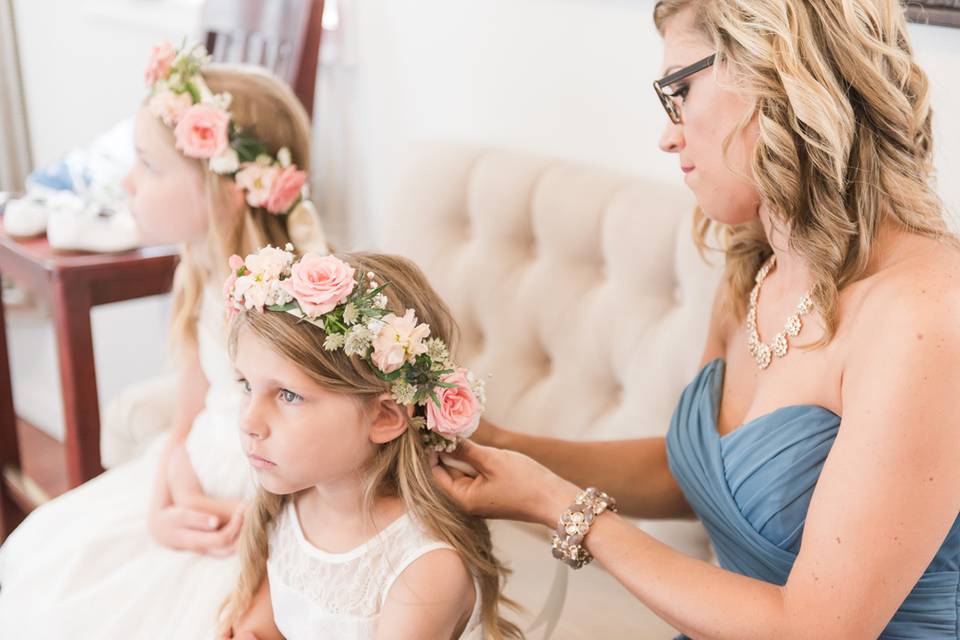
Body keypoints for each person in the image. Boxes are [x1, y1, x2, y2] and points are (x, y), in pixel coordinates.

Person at [433, 1, 960, 637]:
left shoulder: (926, 316)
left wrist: (559, 507)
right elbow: (704, 473)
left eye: (679, 89)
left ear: (781, 74)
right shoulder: (755, 267)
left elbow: (816, 629)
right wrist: (507, 448)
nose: (667, 133)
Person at [0, 41, 325, 637]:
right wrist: (168, 480)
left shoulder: (294, 303)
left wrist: (242, 518)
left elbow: (326, 464)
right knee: (50, 566)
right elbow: (191, 407)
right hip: (196, 471)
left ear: (224, 191)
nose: (127, 181)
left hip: (262, 508)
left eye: (149, 166)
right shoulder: (199, 266)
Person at [217, 246, 521, 639]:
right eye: (246, 385)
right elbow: (262, 624)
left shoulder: (423, 572)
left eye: (288, 395)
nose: (248, 422)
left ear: (384, 417)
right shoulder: (290, 502)